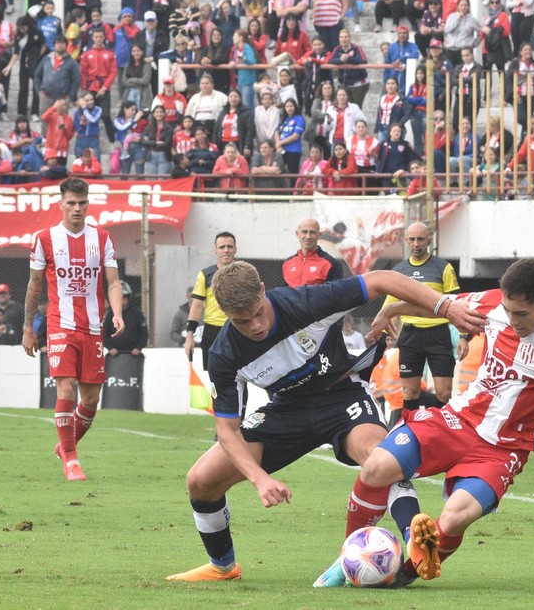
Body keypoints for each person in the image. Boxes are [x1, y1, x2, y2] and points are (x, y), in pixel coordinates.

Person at [315, 258, 534, 587]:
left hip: (502, 449)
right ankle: (348, 559)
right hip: (457, 419)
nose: (511, 320)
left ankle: (405, 574)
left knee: (456, 516)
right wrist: (396, 309)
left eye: (521, 314)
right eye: (508, 310)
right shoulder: (492, 303)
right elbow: (442, 306)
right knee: (377, 467)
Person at [165, 260, 485, 582]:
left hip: (341, 394)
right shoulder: (224, 353)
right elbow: (227, 430)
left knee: (379, 457)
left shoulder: (306, 303)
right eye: (242, 321)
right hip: (286, 410)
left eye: (258, 312)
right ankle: (223, 566)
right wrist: (260, 479)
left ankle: (415, 540)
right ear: (224, 313)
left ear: (263, 291)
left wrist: (446, 306)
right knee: (201, 480)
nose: (256, 326)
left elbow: (383, 279)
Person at [22, 177, 126, 481]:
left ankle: (64, 446)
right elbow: (34, 285)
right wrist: (28, 327)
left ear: (88, 204)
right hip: (60, 326)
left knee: (91, 400)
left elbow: (114, 281)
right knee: (65, 388)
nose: (77, 208)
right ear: (61, 205)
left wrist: (117, 313)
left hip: (93, 327)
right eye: (71, 203)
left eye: (82, 203)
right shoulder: (44, 239)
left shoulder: (103, 238)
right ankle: (71, 460)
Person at [386, 222, 460, 406]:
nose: (416, 244)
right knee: (410, 392)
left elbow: (457, 304)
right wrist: (382, 334)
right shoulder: (399, 271)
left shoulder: (443, 268)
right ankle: (411, 432)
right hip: (411, 335)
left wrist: (465, 336)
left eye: (420, 239)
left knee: (444, 393)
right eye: (412, 239)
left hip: (438, 333)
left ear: (429, 240)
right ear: (406, 241)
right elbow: (389, 306)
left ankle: (442, 432)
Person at [185, 232, 237, 369]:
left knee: (240, 377)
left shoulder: (243, 272)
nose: (226, 250)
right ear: (216, 250)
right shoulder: (205, 274)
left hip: (238, 328)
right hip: (212, 332)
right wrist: (189, 335)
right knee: (215, 379)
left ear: (235, 249)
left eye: (229, 246)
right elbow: (196, 306)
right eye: (222, 247)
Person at [282, 217, 348, 287]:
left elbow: (336, 295)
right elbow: (282, 292)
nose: (308, 236)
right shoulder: (287, 263)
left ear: (319, 235)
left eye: (312, 232)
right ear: (297, 234)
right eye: (304, 232)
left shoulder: (331, 264)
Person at [104, 282, 148, 356]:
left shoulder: (137, 314)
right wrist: (110, 348)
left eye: (123, 297)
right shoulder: (110, 314)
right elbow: (104, 333)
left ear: (128, 298)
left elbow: (143, 333)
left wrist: (138, 348)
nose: (121, 300)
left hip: (133, 355)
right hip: (114, 356)